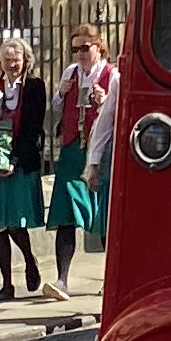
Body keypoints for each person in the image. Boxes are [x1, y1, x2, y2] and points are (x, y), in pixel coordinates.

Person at [0, 34, 55, 301]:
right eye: (7, 60)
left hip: (20, 159)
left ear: (25, 60)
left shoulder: (34, 86)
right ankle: (6, 284)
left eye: (16, 60)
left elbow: (33, 126)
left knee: (15, 221)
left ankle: (30, 260)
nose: (12, 65)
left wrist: (14, 160)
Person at [47, 28, 116, 285]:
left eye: (85, 48)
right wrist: (61, 92)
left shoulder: (112, 74)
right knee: (65, 212)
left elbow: (120, 109)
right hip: (72, 148)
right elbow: (56, 105)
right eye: (75, 49)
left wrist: (105, 99)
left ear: (99, 47)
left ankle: (109, 280)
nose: (80, 54)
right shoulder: (70, 73)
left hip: (101, 151)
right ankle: (61, 279)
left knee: (103, 216)